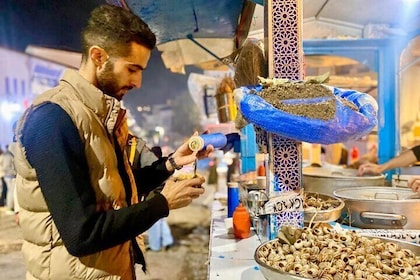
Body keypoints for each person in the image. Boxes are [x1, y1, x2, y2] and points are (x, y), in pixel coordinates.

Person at [13, 4, 213, 280]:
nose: (138, 82)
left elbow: (114, 193)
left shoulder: (100, 116)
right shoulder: (54, 119)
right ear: (98, 56)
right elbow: (82, 233)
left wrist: (169, 165)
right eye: (132, 69)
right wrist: (162, 204)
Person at [146, 146, 175, 251]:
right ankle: (167, 241)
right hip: (163, 196)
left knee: (155, 222)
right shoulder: (163, 165)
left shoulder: (154, 166)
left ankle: (155, 245)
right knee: (162, 220)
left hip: (155, 198)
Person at [1, 144, 16, 213]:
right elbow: (6, 167)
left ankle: (10, 207)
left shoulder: (7, 154)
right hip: (10, 176)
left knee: (9, 191)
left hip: (9, 175)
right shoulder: (8, 155)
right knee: (11, 192)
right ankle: (10, 207)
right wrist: (15, 173)